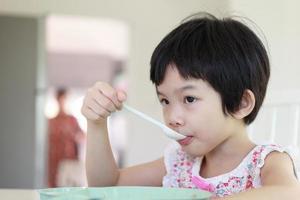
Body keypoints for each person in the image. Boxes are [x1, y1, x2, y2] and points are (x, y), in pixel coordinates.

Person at [81, 13, 300, 198]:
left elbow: (290, 193)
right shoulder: (180, 163)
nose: (172, 117)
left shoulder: (265, 162)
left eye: (189, 99)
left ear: (241, 103)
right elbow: (107, 186)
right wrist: (97, 123)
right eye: (165, 101)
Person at [48, 88, 85, 187]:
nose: (62, 102)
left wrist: (75, 137)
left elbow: (83, 137)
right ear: (57, 100)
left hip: (69, 161)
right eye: (60, 99)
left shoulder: (72, 120)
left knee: (69, 188)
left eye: (64, 99)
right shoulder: (51, 122)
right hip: (54, 162)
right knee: (54, 188)